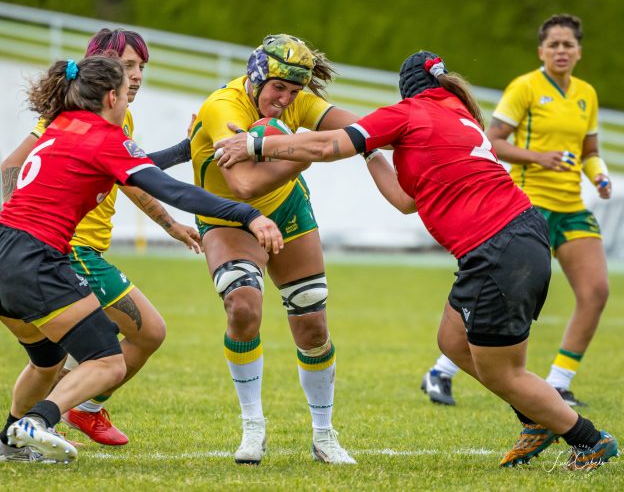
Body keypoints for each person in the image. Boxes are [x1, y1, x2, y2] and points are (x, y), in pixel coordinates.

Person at [214, 51, 619, 471]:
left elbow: (326, 144)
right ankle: (536, 417)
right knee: (453, 342)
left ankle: (589, 441)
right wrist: (370, 153)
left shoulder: (409, 111)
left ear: (406, 89)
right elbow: (407, 202)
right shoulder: (458, 111)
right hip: (513, 238)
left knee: (504, 372)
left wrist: (257, 142)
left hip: (497, 247)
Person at [0, 55, 282, 464]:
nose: (129, 100)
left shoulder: (62, 125)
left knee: (47, 360)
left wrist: (187, 145)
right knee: (107, 362)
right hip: (35, 256)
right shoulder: (106, 137)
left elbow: (134, 169)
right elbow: (172, 191)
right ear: (111, 96)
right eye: (126, 92)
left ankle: (8, 444)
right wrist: (248, 214)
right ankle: (38, 421)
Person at [0, 28, 199, 449]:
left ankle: (14, 438)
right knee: (149, 334)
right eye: (128, 66)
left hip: (55, 252)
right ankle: (75, 410)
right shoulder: (76, 113)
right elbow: (13, 165)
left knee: (48, 362)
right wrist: (21, 225)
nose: (138, 75)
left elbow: (131, 174)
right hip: (70, 251)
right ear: (102, 71)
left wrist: (171, 223)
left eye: (142, 66)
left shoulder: (118, 114)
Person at [422, 14, 612, 412]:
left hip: (571, 208)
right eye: (554, 44)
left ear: (579, 51)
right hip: (525, 207)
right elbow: (492, 141)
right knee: (505, 299)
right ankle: (441, 368)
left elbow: (590, 152)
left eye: (568, 44)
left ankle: (559, 381)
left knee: (596, 292)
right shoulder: (524, 87)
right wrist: (539, 158)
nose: (561, 51)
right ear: (541, 50)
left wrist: (599, 177)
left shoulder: (586, 94)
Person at [189, 34, 362, 465]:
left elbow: (360, 128)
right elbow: (243, 185)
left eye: (294, 91)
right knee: (243, 307)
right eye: (277, 88)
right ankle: (253, 428)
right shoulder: (223, 107)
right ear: (255, 77)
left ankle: (324, 435)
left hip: (285, 209)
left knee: (312, 322)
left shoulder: (294, 103)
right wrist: (303, 157)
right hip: (227, 215)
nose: (285, 99)